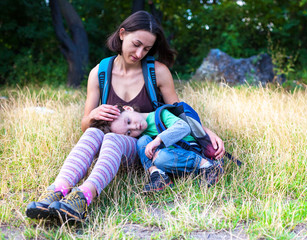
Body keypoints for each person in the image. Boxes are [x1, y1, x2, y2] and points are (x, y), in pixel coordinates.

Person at [25, 10, 225, 222]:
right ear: (122, 34)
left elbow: (178, 112)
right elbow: (85, 125)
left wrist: (206, 132)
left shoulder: (158, 72)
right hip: (111, 155)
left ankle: (83, 197)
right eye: (136, 44)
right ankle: (57, 190)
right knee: (94, 132)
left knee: (111, 137)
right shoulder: (99, 73)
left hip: (145, 151)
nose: (139, 53)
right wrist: (93, 115)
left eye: (147, 49)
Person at [91, 104, 224, 192]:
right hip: (172, 157)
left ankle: (208, 166)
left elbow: (184, 127)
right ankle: (157, 175)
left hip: (189, 150)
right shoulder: (143, 136)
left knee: (161, 158)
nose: (134, 127)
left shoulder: (160, 115)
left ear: (128, 109)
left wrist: (158, 140)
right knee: (142, 141)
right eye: (129, 133)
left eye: (129, 121)